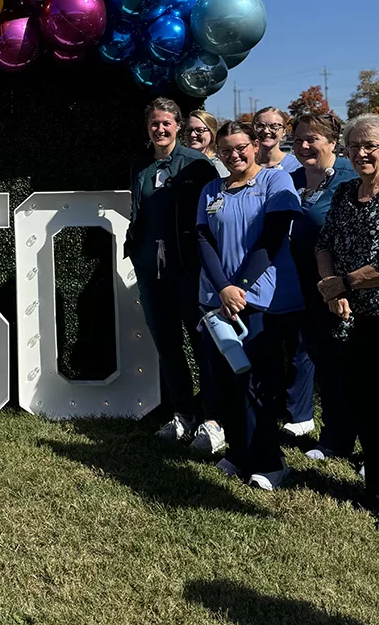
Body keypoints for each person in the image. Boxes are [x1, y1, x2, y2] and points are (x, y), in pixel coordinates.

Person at [316, 114, 379, 533]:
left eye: (370, 145)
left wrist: (345, 283)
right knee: (367, 406)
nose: (360, 153)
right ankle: (378, 488)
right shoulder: (343, 193)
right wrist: (331, 289)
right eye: (354, 145)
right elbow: (324, 244)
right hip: (354, 317)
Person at [197, 120, 303, 489]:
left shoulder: (276, 182)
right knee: (226, 379)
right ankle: (238, 453)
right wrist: (223, 288)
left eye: (241, 147)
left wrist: (238, 288)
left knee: (259, 383)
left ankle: (270, 463)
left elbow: (272, 239)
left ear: (255, 145)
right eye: (226, 150)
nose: (234, 155)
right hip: (217, 299)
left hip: (259, 299)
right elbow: (204, 241)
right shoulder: (212, 189)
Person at [126, 97, 222, 451]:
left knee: (203, 345)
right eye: (154, 123)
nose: (160, 129)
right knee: (167, 344)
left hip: (189, 270)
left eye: (167, 123)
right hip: (152, 271)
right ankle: (183, 413)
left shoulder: (197, 165)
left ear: (178, 126)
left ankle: (213, 417)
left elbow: (212, 219)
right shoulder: (140, 164)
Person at [289, 112, 358, 461]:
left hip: (345, 289)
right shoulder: (292, 179)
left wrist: (342, 285)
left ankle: (376, 445)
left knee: (355, 367)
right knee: (326, 365)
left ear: (332, 142)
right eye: (298, 139)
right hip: (304, 288)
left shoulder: (351, 176)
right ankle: (336, 439)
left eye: (312, 138)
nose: (303, 145)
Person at [253, 105, 314, 438]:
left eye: (274, 126)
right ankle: (272, 403)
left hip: (293, 264)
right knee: (267, 342)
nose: (267, 132)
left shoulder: (296, 167)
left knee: (299, 344)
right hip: (258, 266)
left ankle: (300, 413)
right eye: (261, 126)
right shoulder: (244, 164)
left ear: (285, 130)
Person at [185, 109, 229, 178]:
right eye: (189, 130)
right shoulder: (179, 163)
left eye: (199, 130)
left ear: (212, 133)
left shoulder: (217, 166)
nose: (192, 135)